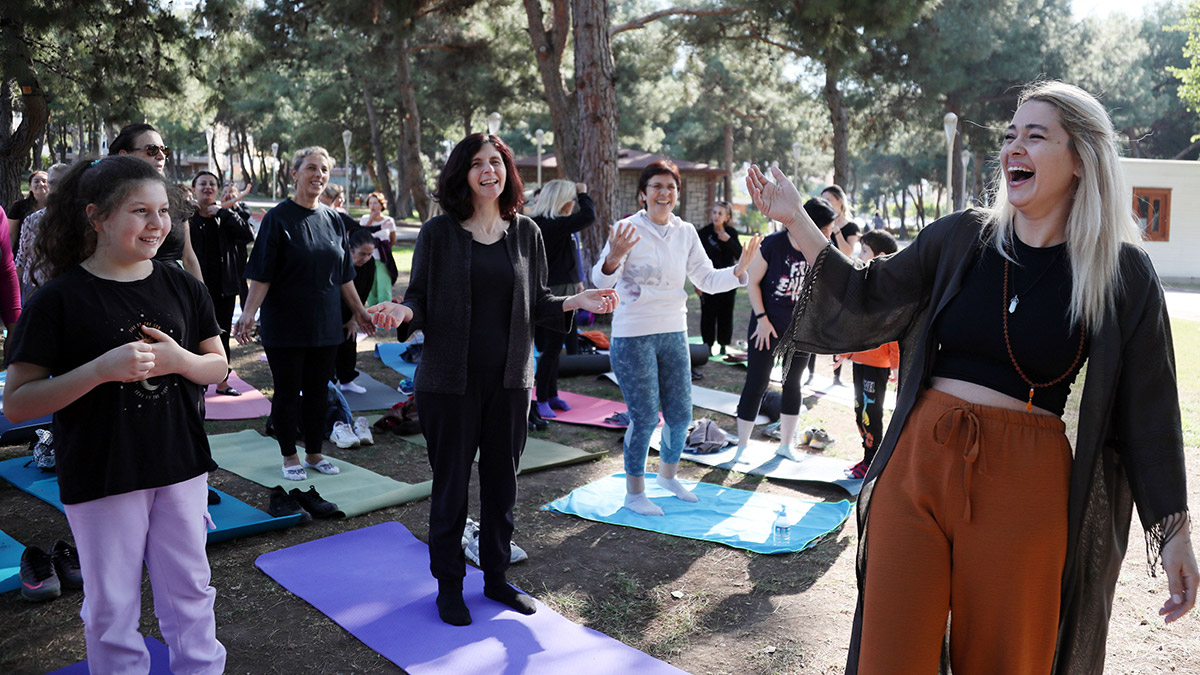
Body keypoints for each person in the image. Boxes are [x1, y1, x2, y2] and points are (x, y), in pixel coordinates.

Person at [747, 81, 1197, 674]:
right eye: (1011, 134)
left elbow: (1150, 412)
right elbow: (864, 296)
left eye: (1036, 136)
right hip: (918, 463)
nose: (1015, 146)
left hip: (1026, 482)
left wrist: (1173, 535)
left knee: (1007, 659)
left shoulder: (1119, 272)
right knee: (892, 651)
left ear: (1083, 159)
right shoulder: (962, 236)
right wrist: (797, 221)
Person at [367, 133, 618, 627]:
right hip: (447, 384)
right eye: (478, 163)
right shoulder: (439, 233)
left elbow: (539, 300)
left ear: (507, 172)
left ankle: (497, 577)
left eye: (497, 162)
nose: (489, 171)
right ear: (463, 172)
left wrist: (575, 301)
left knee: (502, 485)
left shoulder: (526, 232)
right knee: (452, 487)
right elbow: (417, 297)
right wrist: (402, 310)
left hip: (509, 383)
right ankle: (449, 584)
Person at [4, 156, 226, 673]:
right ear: (96, 218)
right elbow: (17, 402)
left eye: (164, 211)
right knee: (112, 607)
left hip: (180, 464)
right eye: (140, 211)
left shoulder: (182, 285)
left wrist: (179, 361)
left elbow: (217, 367)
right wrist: (100, 370)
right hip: (104, 472)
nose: (157, 224)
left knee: (191, 589)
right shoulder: (58, 300)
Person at [592, 159, 760, 517]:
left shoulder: (685, 233)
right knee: (644, 417)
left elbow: (707, 279)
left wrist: (739, 271)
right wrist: (614, 258)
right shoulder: (626, 229)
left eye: (670, 187)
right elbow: (600, 282)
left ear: (677, 194)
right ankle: (634, 492)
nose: (663, 193)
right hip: (633, 334)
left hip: (674, 332)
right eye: (656, 186)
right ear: (643, 194)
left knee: (681, 414)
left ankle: (667, 476)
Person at [233, 147, 375, 481]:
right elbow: (262, 273)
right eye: (311, 168)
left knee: (317, 391)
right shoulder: (278, 219)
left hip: (325, 324)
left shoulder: (333, 220)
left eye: (324, 170)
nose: (318, 175)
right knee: (287, 392)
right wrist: (249, 313)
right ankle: (289, 456)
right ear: (294, 173)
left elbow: (344, 275)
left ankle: (314, 453)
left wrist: (360, 311)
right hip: (285, 323)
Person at [733, 197, 836, 460]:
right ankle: (742, 446)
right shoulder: (774, 244)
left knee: (793, 384)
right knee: (757, 383)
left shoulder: (823, 249)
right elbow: (752, 283)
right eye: (825, 229)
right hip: (765, 325)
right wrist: (763, 319)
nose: (829, 235)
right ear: (808, 225)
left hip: (799, 330)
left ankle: (785, 445)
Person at [529, 178, 596, 420]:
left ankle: (552, 393)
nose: (573, 205)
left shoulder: (558, 224)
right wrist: (583, 193)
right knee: (551, 349)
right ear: (563, 203)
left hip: (564, 289)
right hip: (551, 292)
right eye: (571, 201)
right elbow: (589, 215)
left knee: (556, 349)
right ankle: (542, 398)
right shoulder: (548, 224)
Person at [839, 229, 900, 479]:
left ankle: (873, 462)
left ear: (880, 256)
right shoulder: (861, 283)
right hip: (858, 359)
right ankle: (867, 458)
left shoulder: (890, 290)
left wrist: (896, 365)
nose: (859, 255)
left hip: (877, 364)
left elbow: (895, 330)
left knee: (870, 412)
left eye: (864, 250)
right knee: (858, 409)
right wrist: (842, 353)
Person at [109, 123, 204, 282]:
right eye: (151, 150)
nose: (161, 156)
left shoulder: (176, 198)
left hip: (174, 293)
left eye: (164, 150)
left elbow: (189, 258)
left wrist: (203, 299)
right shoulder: (105, 199)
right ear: (124, 155)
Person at [190, 171, 255, 396]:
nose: (207, 187)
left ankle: (222, 382)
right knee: (194, 336)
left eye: (212, 184)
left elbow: (248, 235)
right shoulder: (187, 218)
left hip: (224, 288)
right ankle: (195, 383)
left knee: (222, 335)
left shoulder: (225, 216)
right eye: (203, 184)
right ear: (195, 188)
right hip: (195, 289)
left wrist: (225, 213)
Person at [333, 228, 378, 396]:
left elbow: (363, 292)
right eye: (362, 254)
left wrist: (354, 318)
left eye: (369, 254)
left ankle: (347, 380)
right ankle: (326, 382)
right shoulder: (339, 259)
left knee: (349, 340)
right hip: (330, 308)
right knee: (328, 348)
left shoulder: (370, 264)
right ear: (350, 248)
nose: (365, 258)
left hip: (353, 308)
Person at [696, 200, 743, 357]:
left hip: (728, 280)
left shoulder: (732, 233)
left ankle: (723, 345)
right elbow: (695, 258)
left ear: (727, 217)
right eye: (714, 212)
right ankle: (707, 345)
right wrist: (697, 283)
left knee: (725, 313)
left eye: (720, 213)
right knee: (708, 313)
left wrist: (728, 240)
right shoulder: (704, 233)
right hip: (708, 279)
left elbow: (740, 256)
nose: (716, 216)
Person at [360, 191, 399, 283]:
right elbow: (361, 234)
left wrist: (385, 248)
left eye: (375, 203)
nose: (372, 206)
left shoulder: (389, 220)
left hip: (383, 257)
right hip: (367, 257)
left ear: (381, 205)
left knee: (383, 284)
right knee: (369, 286)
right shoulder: (364, 219)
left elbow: (393, 239)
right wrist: (371, 219)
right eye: (370, 203)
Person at [8, 170, 49, 250]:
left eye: (44, 181)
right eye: (36, 181)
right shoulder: (19, 206)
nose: (41, 184)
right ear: (30, 186)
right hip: (23, 254)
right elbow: (11, 234)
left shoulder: (57, 207)